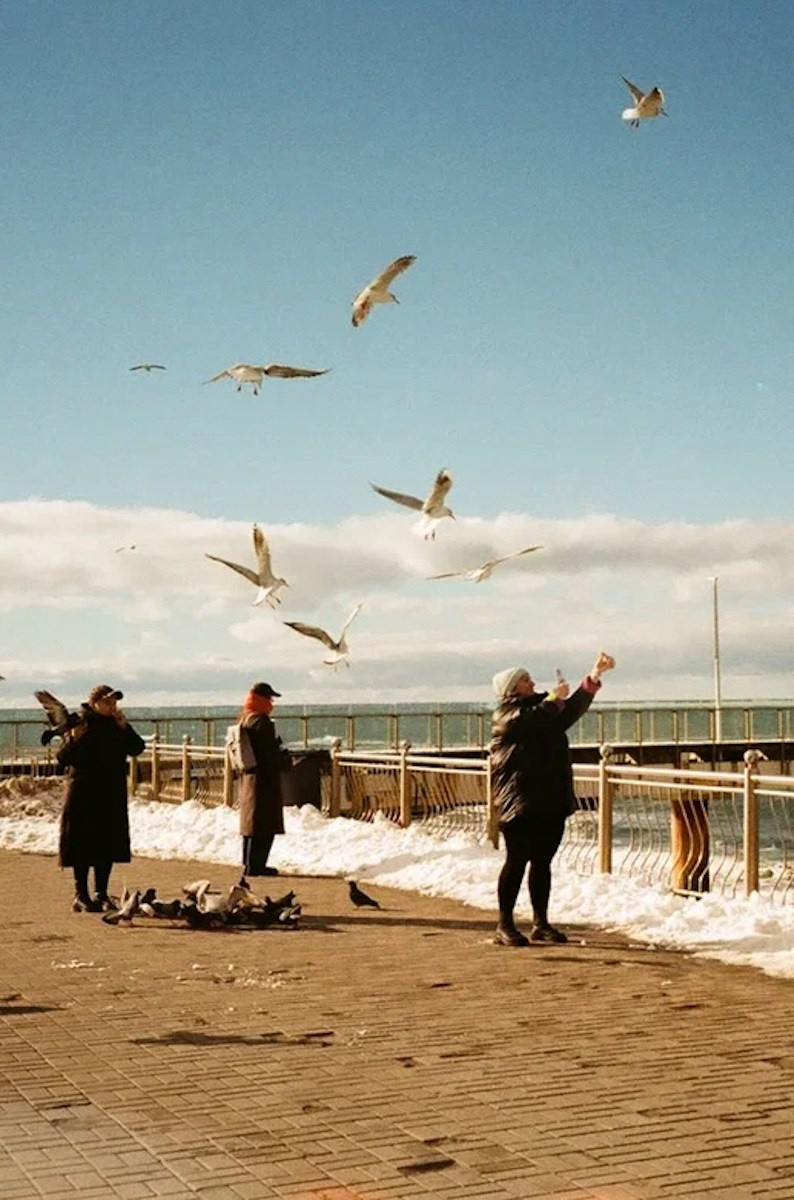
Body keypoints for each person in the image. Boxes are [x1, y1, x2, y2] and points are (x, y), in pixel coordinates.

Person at [490, 651, 616, 947]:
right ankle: (504, 924)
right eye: (525, 680)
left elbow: (568, 711)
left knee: (542, 862)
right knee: (516, 861)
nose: (532, 683)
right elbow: (531, 719)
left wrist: (593, 677)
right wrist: (553, 700)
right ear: (512, 688)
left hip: (549, 798)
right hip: (518, 801)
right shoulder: (505, 715)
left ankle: (541, 923)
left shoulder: (543, 710)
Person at [57, 685, 146, 912]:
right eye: (107, 702)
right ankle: (81, 895)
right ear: (94, 703)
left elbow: (137, 748)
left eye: (114, 703)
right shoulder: (80, 723)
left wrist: (124, 727)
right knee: (82, 844)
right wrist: (73, 739)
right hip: (83, 792)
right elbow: (62, 758)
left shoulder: (116, 724)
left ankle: (101, 893)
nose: (112, 707)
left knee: (106, 843)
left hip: (110, 792)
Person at [238, 681, 292, 878]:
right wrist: (284, 758)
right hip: (265, 781)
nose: (271, 703)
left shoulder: (245, 718)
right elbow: (269, 753)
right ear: (261, 699)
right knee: (264, 824)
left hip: (249, 779)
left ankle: (249, 864)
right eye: (269, 699)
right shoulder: (262, 722)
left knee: (251, 825)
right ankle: (258, 865)